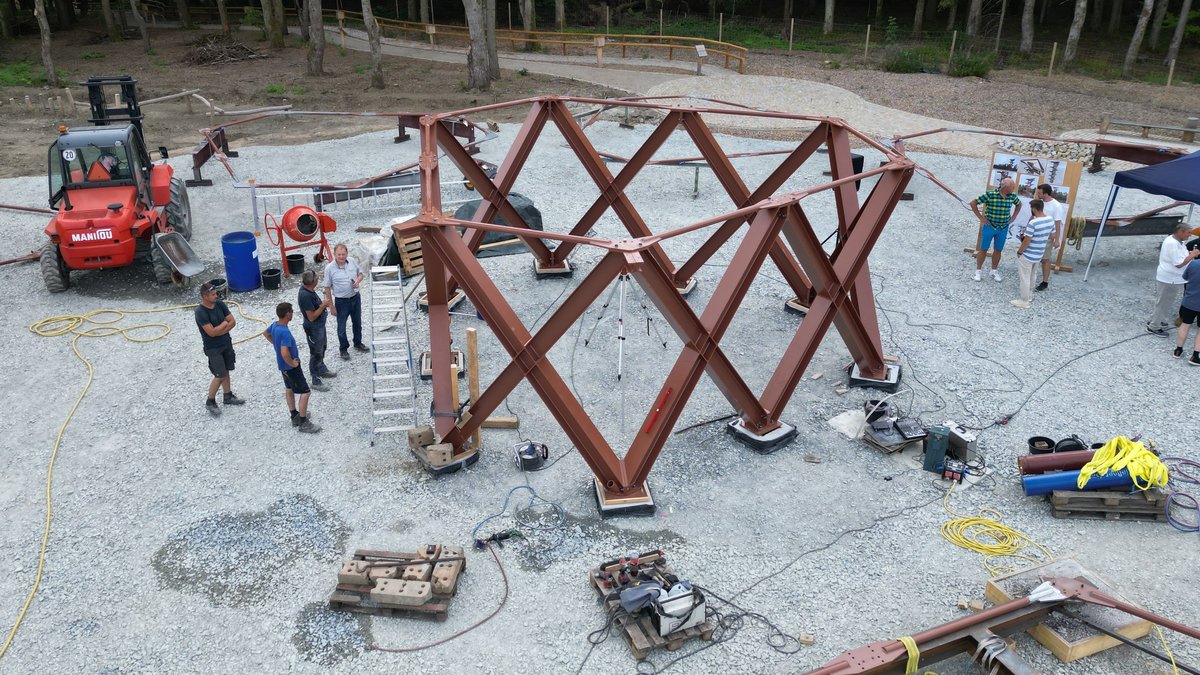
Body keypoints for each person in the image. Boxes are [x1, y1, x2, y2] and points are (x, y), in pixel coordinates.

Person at [262, 302, 321, 433]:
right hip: (291, 368)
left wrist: (275, 345)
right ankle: (303, 422)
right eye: (292, 311)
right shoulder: (285, 333)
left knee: (289, 388)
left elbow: (266, 334)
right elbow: (284, 352)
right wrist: (293, 363)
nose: (293, 313)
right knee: (306, 392)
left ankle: (294, 414)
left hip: (283, 367)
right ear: (287, 314)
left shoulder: (275, 326)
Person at [195, 282, 246, 417]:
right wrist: (224, 324)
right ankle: (210, 401)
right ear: (205, 296)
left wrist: (220, 331)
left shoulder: (219, 303)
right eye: (213, 294)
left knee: (227, 369)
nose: (216, 296)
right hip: (213, 348)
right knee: (220, 375)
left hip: (225, 343)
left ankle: (227, 395)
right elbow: (211, 333)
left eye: (215, 293)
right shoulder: (200, 312)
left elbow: (233, 321)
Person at [1147, 223, 1200, 337]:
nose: (1190, 235)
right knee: (1163, 303)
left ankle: (1157, 320)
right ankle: (1154, 326)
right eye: (1188, 233)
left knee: (1165, 301)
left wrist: (1189, 254)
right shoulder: (1172, 243)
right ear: (1180, 231)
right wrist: (1193, 255)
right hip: (1170, 279)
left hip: (1172, 278)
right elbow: (1179, 263)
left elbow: (1180, 257)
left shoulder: (1177, 241)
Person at [324, 243, 369, 360]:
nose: (341, 257)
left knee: (357, 323)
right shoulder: (329, 269)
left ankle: (358, 343)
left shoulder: (352, 261)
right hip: (341, 302)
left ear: (347, 254)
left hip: (355, 298)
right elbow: (327, 288)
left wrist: (357, 281)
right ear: (334, 255)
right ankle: (343, 349)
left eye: (343, 254)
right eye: (339, 254)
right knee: (341, 327)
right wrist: (331, 306)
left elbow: (361, 274)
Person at [970, 177, 1021, 282]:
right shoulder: (990, 194)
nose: (1014, 189)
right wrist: (981, 218)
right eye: (1012, 187)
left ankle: (993, 271)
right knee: (983, 249)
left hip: (1003, 228)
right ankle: (978, 272)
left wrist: (1014, 217)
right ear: (1005, 188)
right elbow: (973, 203)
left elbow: (1019, 204)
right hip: (989, 226)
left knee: (998, 250)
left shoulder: (1012, 196)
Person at [1011, 200, 1056, 309]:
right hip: (1039, 253)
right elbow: (1052, 236)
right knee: (1033, 275)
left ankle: (1024, 301)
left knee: (1024, 277)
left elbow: (1027, 241)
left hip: (1028, 254)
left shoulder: (1033, 223)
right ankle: (1030, 296)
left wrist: (1020, 251)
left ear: (1034, 208)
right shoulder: (1050, 219)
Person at [298, 270, 335, 391]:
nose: (318, 280)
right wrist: (323, 306)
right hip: (313, 329)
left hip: (319, 327)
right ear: (313, 282)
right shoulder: (305, 296)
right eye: (316, 279)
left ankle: (321, 368)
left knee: (323, 347)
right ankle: (315, 379)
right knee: (315, 353)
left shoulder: (309, 290)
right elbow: (311, 317)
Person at [1032, 184, 1065, 292]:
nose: (1038, 194)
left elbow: (1058, 223)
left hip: (1047, 236)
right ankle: (1032, 277)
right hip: (1036, 234)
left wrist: (1056, 240)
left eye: (1040, 193)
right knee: (1033, 256)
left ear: (1046, 193)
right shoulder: (1039, 202)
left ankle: (1045, 282)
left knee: (1045, 259)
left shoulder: (1056, 206)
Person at [1174, 256, 1200, 365]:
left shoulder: (1193, 264)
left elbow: (1185, 277)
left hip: (1189, 301)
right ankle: (1195, 356)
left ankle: (1178, 350)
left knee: (1185, 325)